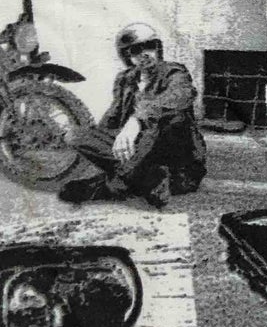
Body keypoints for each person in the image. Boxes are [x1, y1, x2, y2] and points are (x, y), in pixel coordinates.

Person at [59, 23, 207, 208]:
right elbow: (111, 120)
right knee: (75, 135)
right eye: (136, 50)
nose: (144, 54)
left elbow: (181, 95)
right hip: (142, 157)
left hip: (177, 166)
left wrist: (136, 120)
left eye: (150, 46)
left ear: (158, 48)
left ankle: (115, 183)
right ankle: (145, 179)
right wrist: (101, 143)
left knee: (171, 120)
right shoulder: (125, 80)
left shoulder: (174, 72)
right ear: (127, 55)